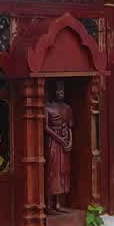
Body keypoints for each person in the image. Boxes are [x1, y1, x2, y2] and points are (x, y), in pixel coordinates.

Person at [44, 84, 73, 213]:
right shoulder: (47, 108)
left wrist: (70, 142)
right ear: (53, 92)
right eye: (58, 90)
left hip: (65, 143)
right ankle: (49, 205)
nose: (61, 93)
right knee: (52, 172)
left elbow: (69, 126)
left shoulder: (67, 108)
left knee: (63, 172)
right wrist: (61, 140)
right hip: (53, 143)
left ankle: (59, 204)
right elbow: (46, 128)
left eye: (62, 90)